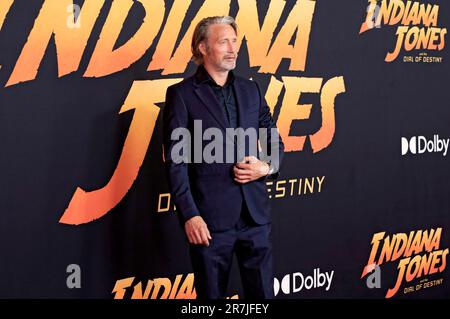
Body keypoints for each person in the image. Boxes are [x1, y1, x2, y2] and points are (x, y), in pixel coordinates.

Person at [163, 16, 284, 299]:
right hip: (210, 222)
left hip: (255, 218)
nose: (233, 49)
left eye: (235, 41)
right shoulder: (181, 95)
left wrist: (266, 167)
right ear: (203, 47)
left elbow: (272, 139)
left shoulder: (251, 89)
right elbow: (176, 161)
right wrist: (190, 215)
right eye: (223, 42)